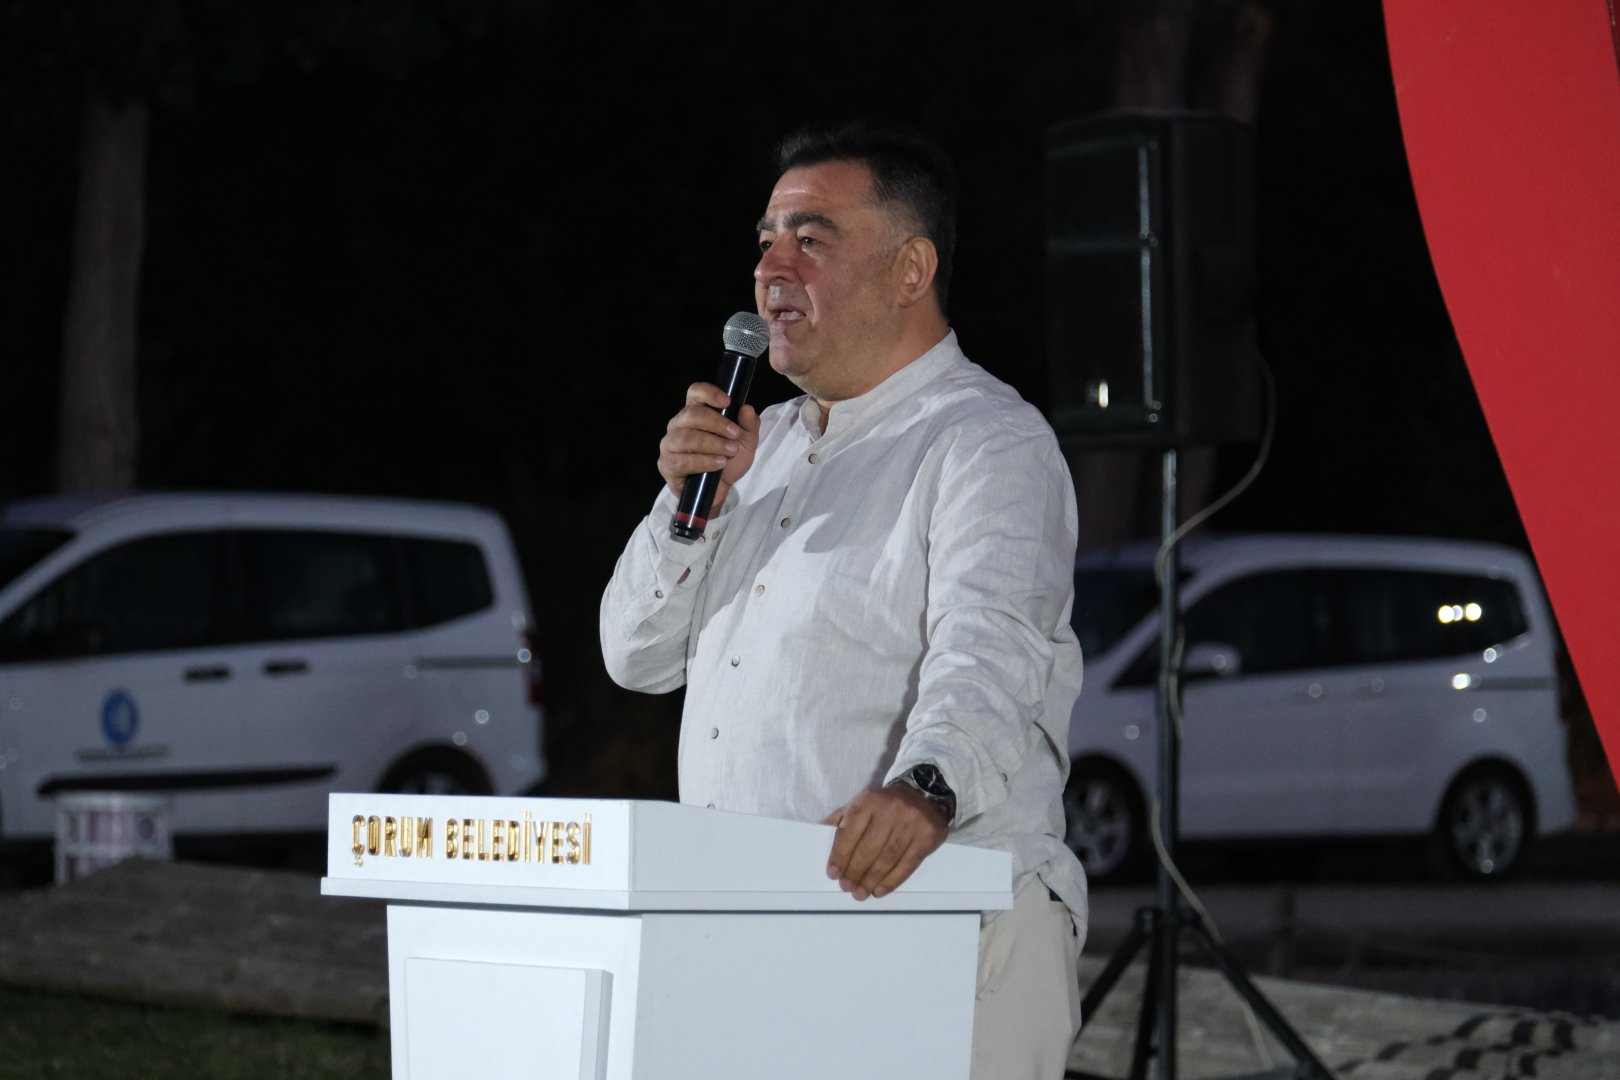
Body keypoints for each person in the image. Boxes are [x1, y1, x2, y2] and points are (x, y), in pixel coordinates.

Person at [599, 121, 1086, 1079]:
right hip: (758, 933)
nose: (770, 269)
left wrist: (925, 790)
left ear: (911, 269)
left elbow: (991, 652)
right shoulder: (761, 446)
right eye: (765, 241)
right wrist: (688, 512)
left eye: (810, 238)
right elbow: (635, 658)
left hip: (944, 920)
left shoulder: (987, 442)